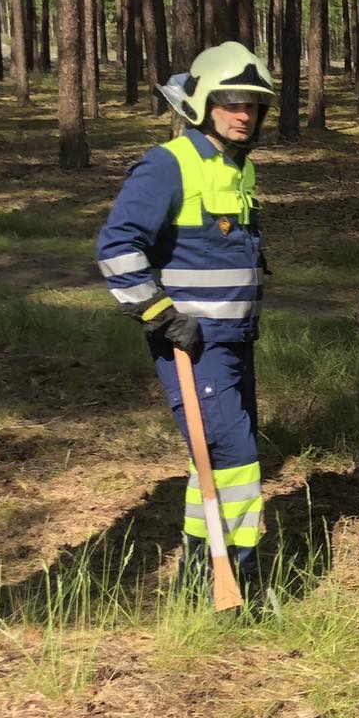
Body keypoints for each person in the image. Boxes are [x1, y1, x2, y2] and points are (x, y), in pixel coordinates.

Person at [97, 42, 277, 607]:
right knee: (234, 459)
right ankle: (236, 582)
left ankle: (202, 581)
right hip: (193, 345)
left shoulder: (239, 167)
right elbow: (117, 247)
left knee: (218, 465)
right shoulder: (168, 163)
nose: (243, 113)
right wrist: (160, 315)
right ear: (203, 103)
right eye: (231, 102)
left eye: (253, 104)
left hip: (236, 342)